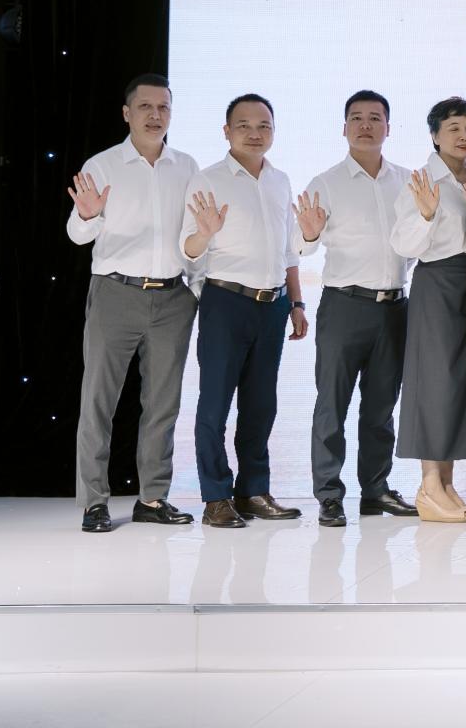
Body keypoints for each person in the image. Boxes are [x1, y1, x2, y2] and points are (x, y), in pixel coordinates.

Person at [65, 73, 200, 534]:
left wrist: (196, 289)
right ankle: (93, 502)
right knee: (98, 401)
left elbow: (195, 233)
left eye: (163, 107)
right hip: (116, 293)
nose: (155, 115)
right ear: (127, 113)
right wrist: (88, 215)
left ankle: (152, 498)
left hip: (173, 297)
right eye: (145, 107)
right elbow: (77, 234)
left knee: (163, 403)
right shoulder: (103, 165)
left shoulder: (186, 166)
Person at [178, 94, 306, 530]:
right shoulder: (207, 179)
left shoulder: (280, 180)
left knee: (261, 406)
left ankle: (252, 491)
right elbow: (188, 250)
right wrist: (204, 233)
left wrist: (297, 303)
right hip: (226, 302)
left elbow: (289, 250)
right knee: (214, 405)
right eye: (244, 125)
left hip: (273, 306)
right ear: (227, 131)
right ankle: (216, 497)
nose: (255, 133)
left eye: (264, 125)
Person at [297, 90, 418, 527]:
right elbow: (299, 248)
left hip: (394, 308)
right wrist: (310, 234)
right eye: (357, 118)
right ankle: (329, 495)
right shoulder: (325, 182)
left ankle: (376, 490)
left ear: (389, 127)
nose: (366, 125)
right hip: (344, 306)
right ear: (344, 127)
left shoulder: (409, 181)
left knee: (381, 408)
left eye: (375, 118)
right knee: (332, 405)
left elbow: (418, 241)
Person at [389, 96, 466, 523]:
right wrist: (426, 215)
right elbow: (404, 246)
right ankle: (429, 486)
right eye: (453, 128)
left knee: (459, 385)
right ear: (435, 135)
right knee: (434, 384)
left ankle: (447, 485)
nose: (464, 135)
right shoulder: (421, 180)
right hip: (438, 284)